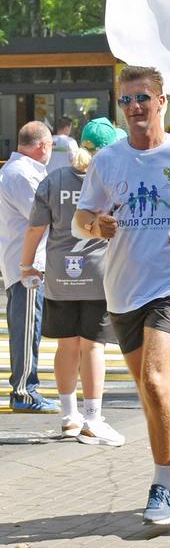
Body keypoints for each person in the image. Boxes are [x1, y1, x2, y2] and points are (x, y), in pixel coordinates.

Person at [74, 65, 170, 525]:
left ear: (161, 102)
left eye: (142, 98)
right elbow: (82, 218)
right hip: (122, 290)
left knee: (157, 382)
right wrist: (95, 226)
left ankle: (161, 486)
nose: (135, 107)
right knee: (149, 392)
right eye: (126, 100)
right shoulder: (107, 161)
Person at [20, 118, 126, 445]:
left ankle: (69, 417)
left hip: (59, 276)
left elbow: (35, 229)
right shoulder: (113, 182)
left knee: (66, 345)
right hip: (98, 276)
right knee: (93, 346)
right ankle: (93, 418)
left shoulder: (54, 180)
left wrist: (26, 266)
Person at [0, 121, 59, 413]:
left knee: (27, 327)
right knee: (27, 329)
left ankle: (25, 389)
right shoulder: (22, 175)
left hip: (22, 262)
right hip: (28, 266)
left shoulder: (16, 171)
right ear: (43, 146)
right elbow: (41, 217)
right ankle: (24, 391)